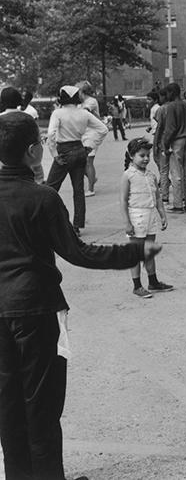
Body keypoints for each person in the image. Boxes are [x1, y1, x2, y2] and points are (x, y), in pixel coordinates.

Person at [0, 111, 162, 480]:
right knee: (41, 404)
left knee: (8, 403)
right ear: (31, 151)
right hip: (37, 310)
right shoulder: (41, 198)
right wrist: (135, 251)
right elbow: (80, 253)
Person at [46, 86, 108, 236]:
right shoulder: (83, 113)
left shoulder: (58, 113)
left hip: (64, 150)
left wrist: (54, 154)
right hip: (80, 149)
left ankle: (46, 222)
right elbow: (103, 129)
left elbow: (51, 134)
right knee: (78, 190)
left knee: (50, 189)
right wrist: (90, 146)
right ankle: (77, 226)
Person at [120, 138, 172, 298]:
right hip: (136, 216)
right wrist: (127, 222)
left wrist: (162, 214)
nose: (146, 159)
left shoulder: (150, 175)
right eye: (141, 155)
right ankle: (137, 285)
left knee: (149, 250)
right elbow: (122, 200)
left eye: (147, 155)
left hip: (150, 215)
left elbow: (157, 197)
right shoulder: (128, 175)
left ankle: (153, 281)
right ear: (131, 155)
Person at [160, 82, 186, 213]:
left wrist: (165, 144)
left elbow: (170, 128)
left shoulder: (171, 107)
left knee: (176, 174)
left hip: (177, 141)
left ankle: (178, 205)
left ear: (171, 93)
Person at [78, 81, 102, 196]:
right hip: (84, 134)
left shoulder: (91, 101)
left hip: (92, 134)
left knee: (88, 161)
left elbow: (85, 111)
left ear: (82, 92)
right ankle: (92, 177)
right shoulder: (80, 103)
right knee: (80, 161)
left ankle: (91, 189)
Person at [153, 88, 171, 202]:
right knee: (178, 170)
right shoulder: (178, 106)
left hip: (164, 141)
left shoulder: (162, 109)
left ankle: (164, 195)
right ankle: (184, 197)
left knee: (163, 170)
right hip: (176, 141)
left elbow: (159, 127)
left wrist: (155, 144)